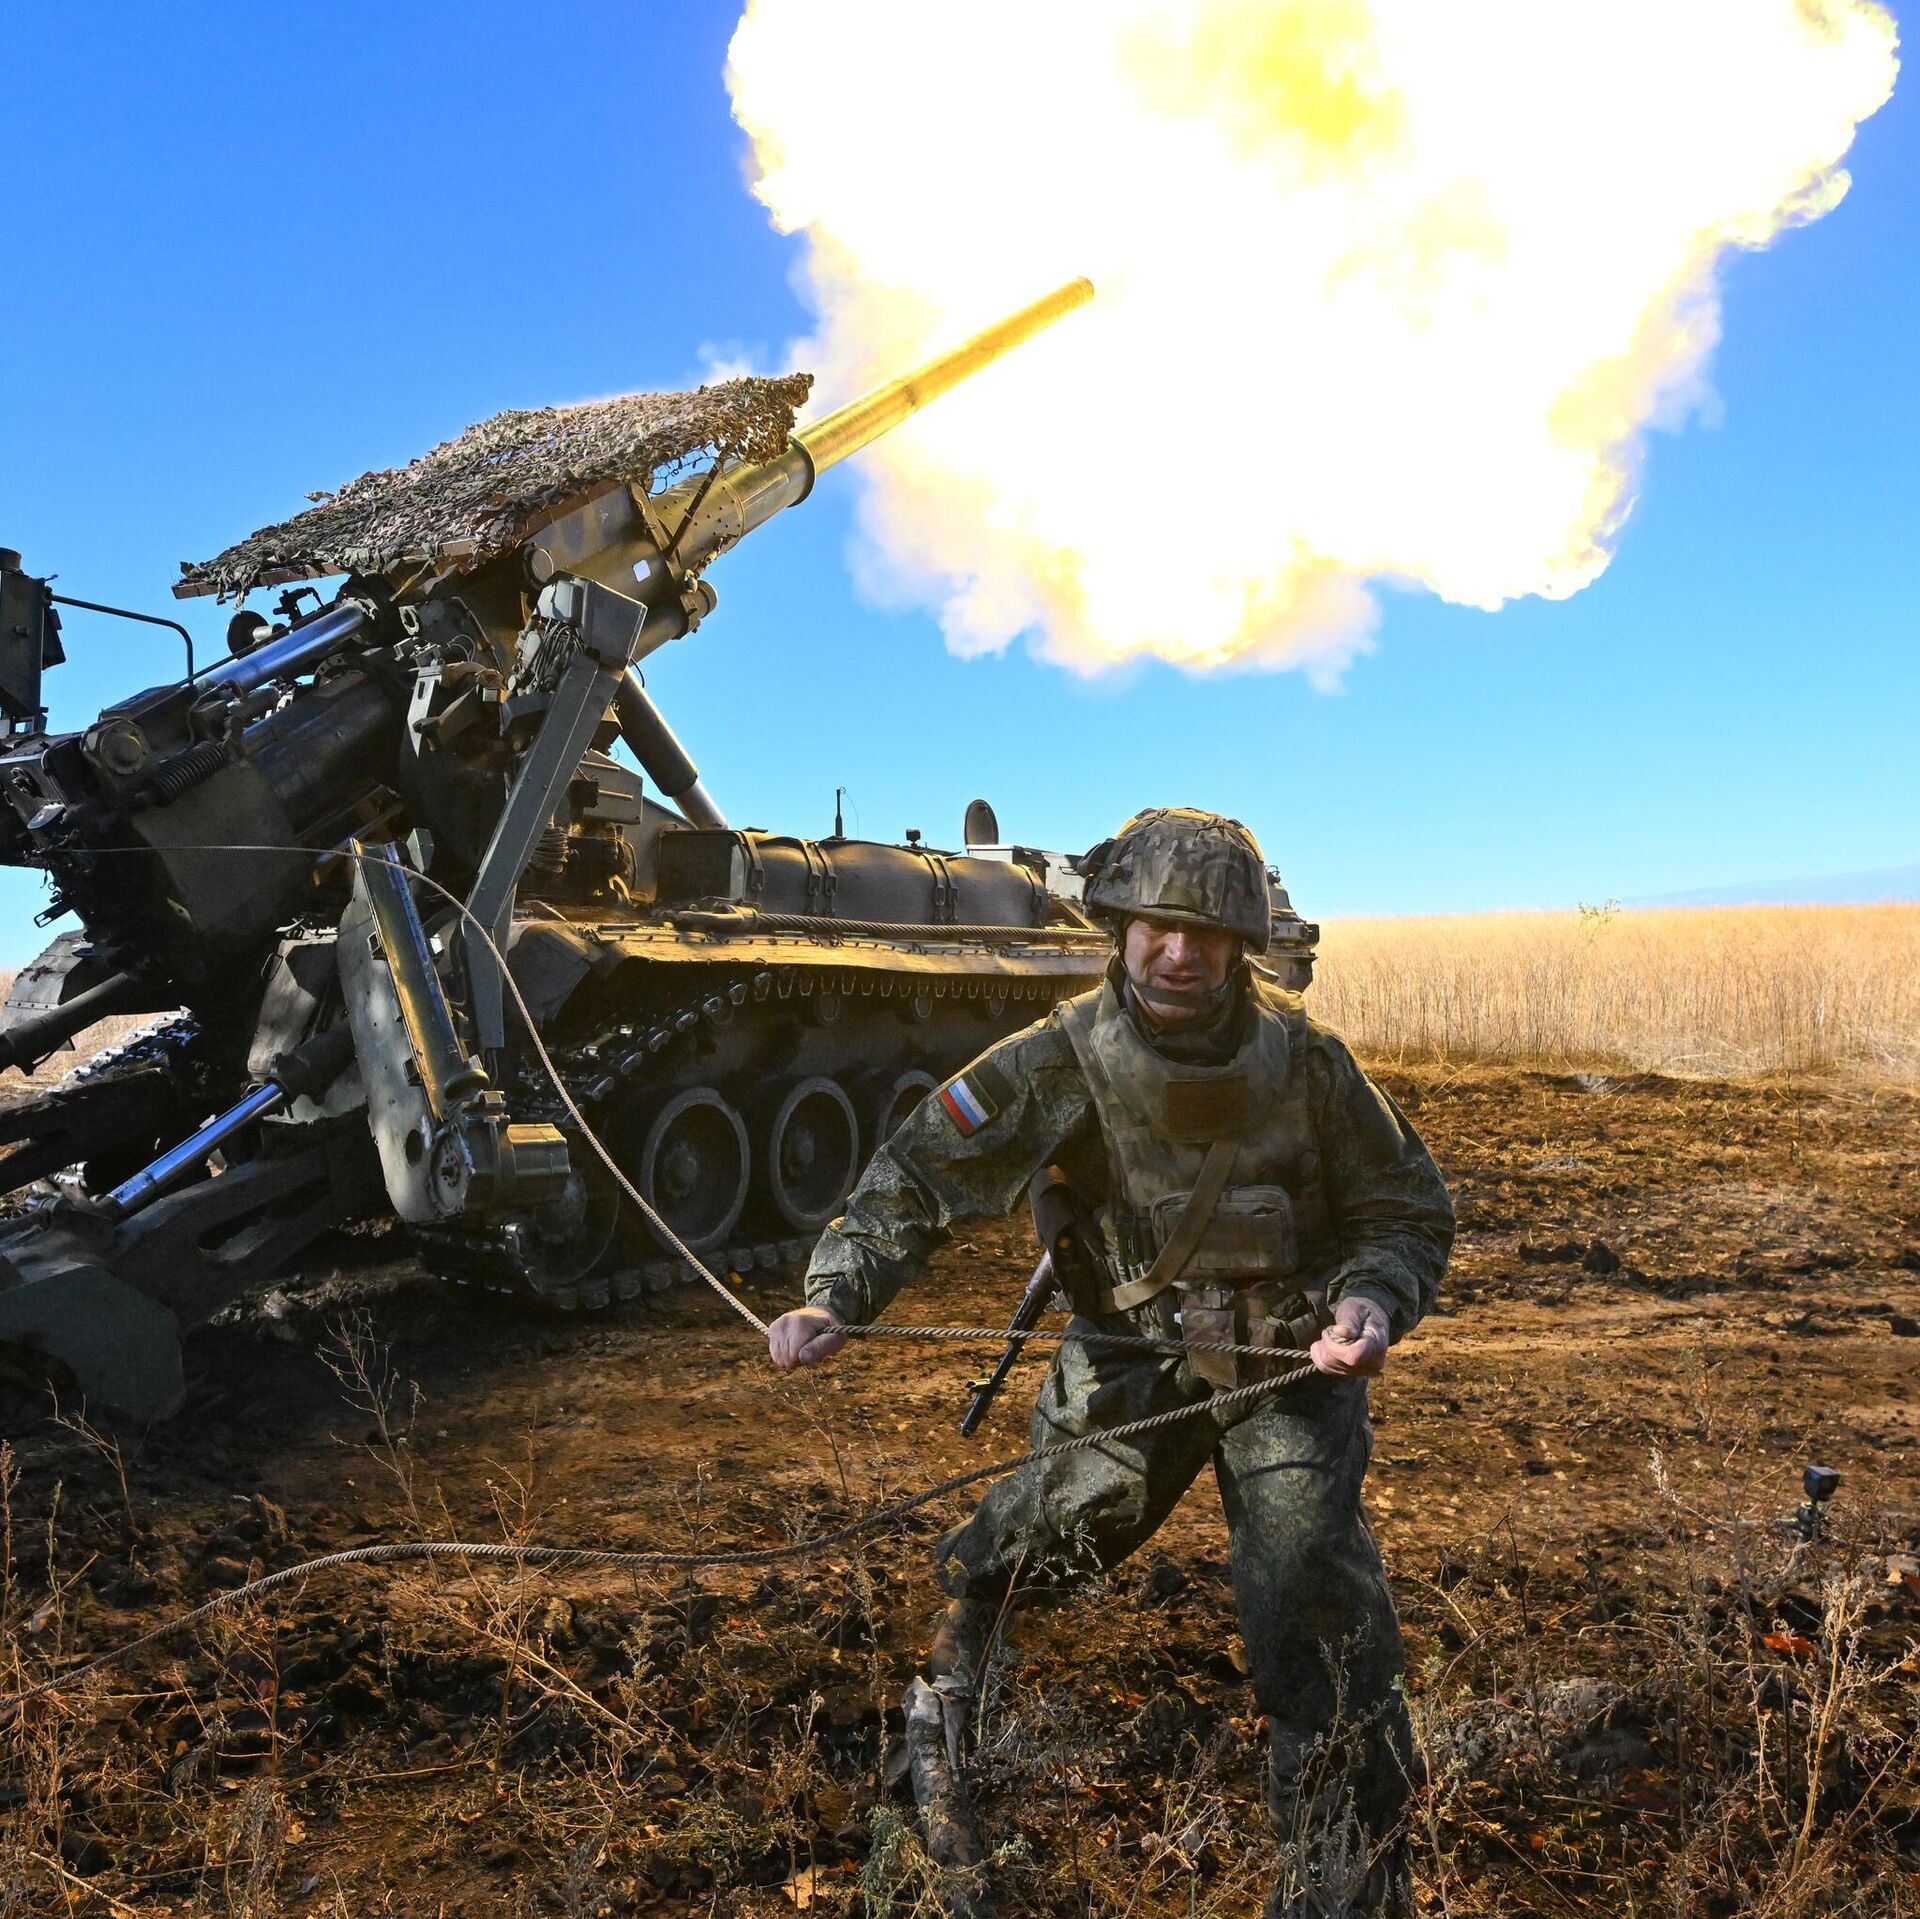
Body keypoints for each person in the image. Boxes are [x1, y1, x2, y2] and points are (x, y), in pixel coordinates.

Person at [767, 808, 1453, 1917]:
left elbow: (1404, 1208)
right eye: (1157, 927)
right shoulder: (1060, 1056)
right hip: (1131, 1351)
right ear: (1118, 928)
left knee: (1315, 1597)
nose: (1180, 953)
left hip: (1289, 1361)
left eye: (1207, 931)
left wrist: (1371, 1300)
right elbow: (917, 1173)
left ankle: (1349, 1880)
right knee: (1044, 1532)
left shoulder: (1309, 1062)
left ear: (1242, 944)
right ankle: (955, 1690)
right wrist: (835, 1293)